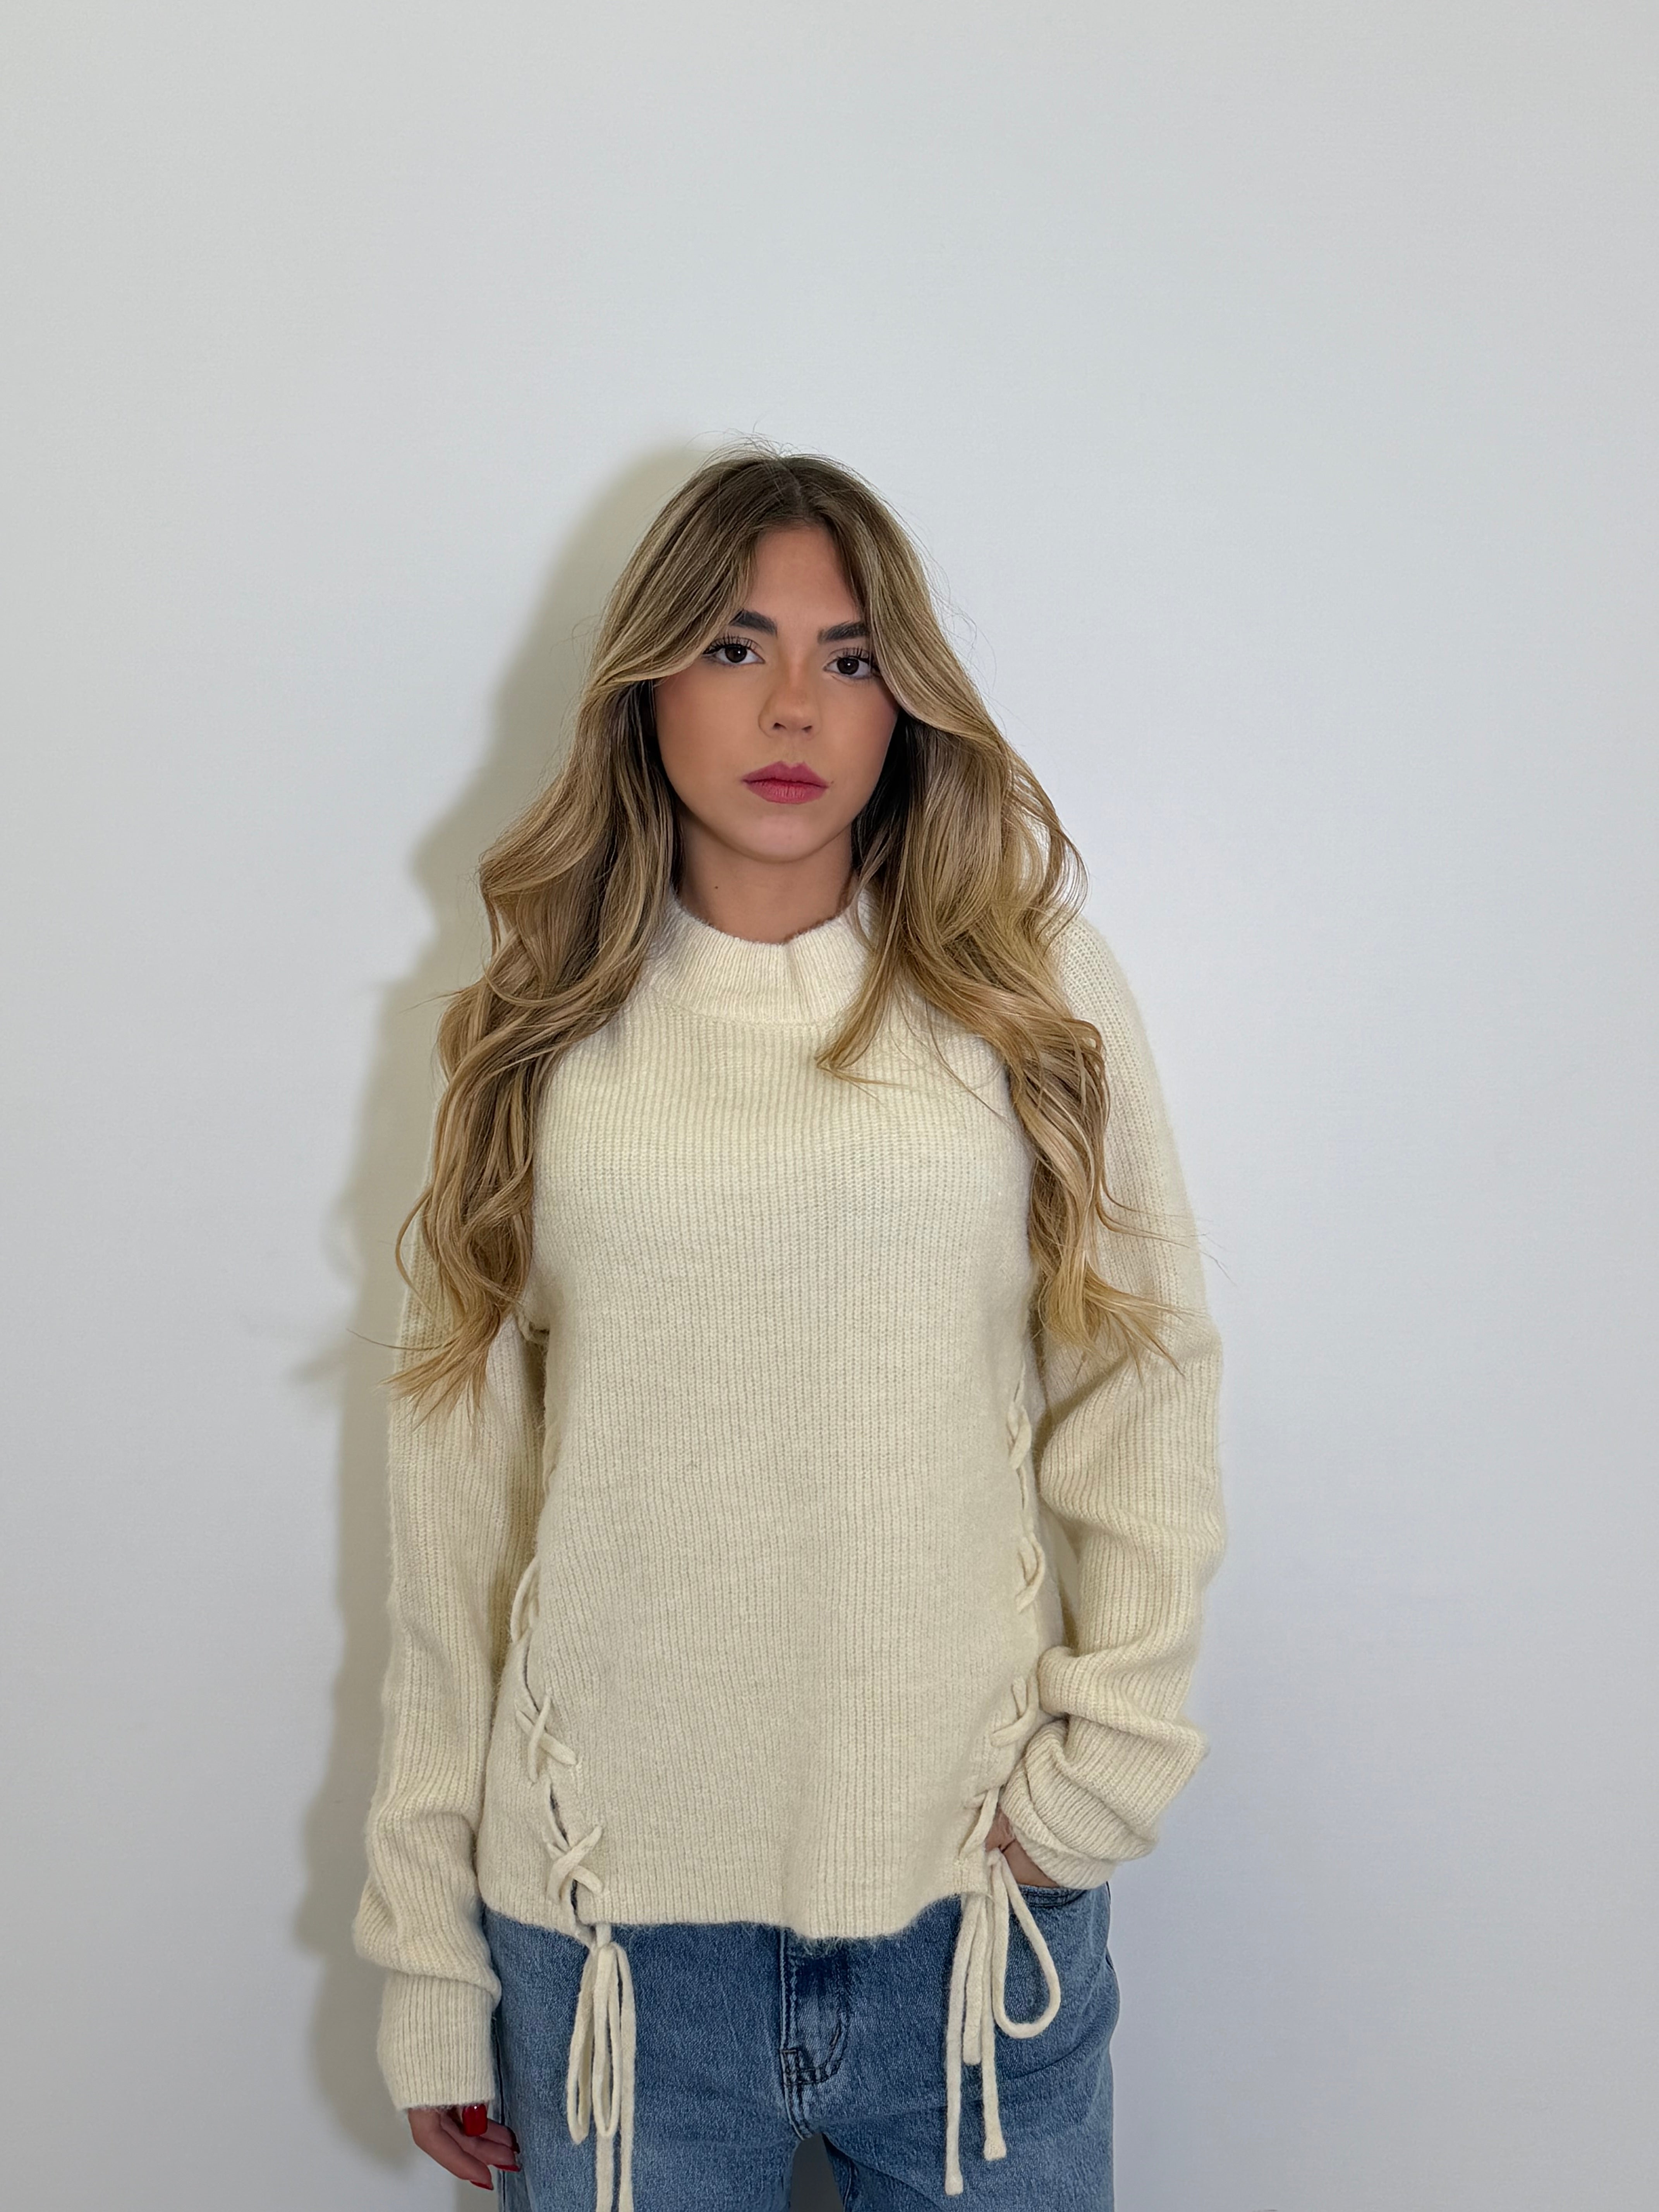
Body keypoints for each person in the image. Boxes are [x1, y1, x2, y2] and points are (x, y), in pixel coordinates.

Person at [352, 445, 1225, 2211]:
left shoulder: (1030, 990)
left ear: (905, 700)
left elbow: (1142, 1376)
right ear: (646, 682)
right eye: (735, 647)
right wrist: (430, 1955)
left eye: (851, 657)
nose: (794, 709)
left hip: (980, 1933)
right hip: (609, 1958)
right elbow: (454, 1517)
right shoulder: (529, 1031)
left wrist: (1101, 1778)